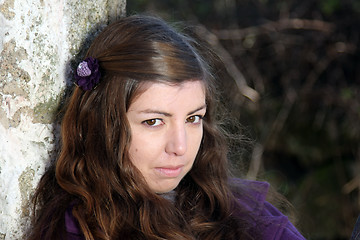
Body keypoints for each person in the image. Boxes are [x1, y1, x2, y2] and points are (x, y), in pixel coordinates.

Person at [27, 14, 306, 240]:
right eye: (153, 122)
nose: (180, 147)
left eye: (193, 118)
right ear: (103, 124)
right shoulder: (80, 231)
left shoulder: (241, 213)